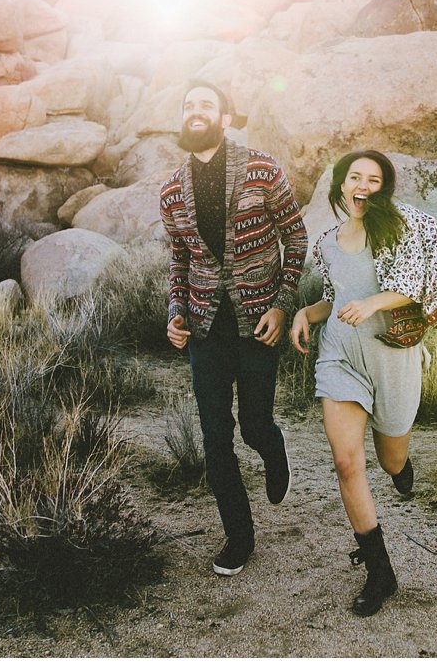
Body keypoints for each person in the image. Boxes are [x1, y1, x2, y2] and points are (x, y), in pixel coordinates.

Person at [290, 150, 437, 616]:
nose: (364, 186)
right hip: (341, 358)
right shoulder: (327, 243)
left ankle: (399, 466)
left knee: (390, 459)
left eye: (374, 180)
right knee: (347, 463)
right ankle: (380, 570)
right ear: (340, 185)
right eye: (356, 177)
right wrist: (303, 313)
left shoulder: (398, 230)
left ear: (383, 190)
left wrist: (374, 303)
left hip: (392, 358)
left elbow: (414, 285)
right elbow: (335, 300)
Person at [161, 80, 308, 577]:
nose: (195, 111)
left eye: (206, 104)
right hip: (205, 329)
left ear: (225, 117)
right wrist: (174, 313)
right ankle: (239, 537)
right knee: (214, 436)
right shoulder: (170, 190)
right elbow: (179, 259)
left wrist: (282, 305)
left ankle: (273, 446)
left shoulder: (262, 168)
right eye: (188, 104)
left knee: (254, 425)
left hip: (257, 323)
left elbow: (295, 236)